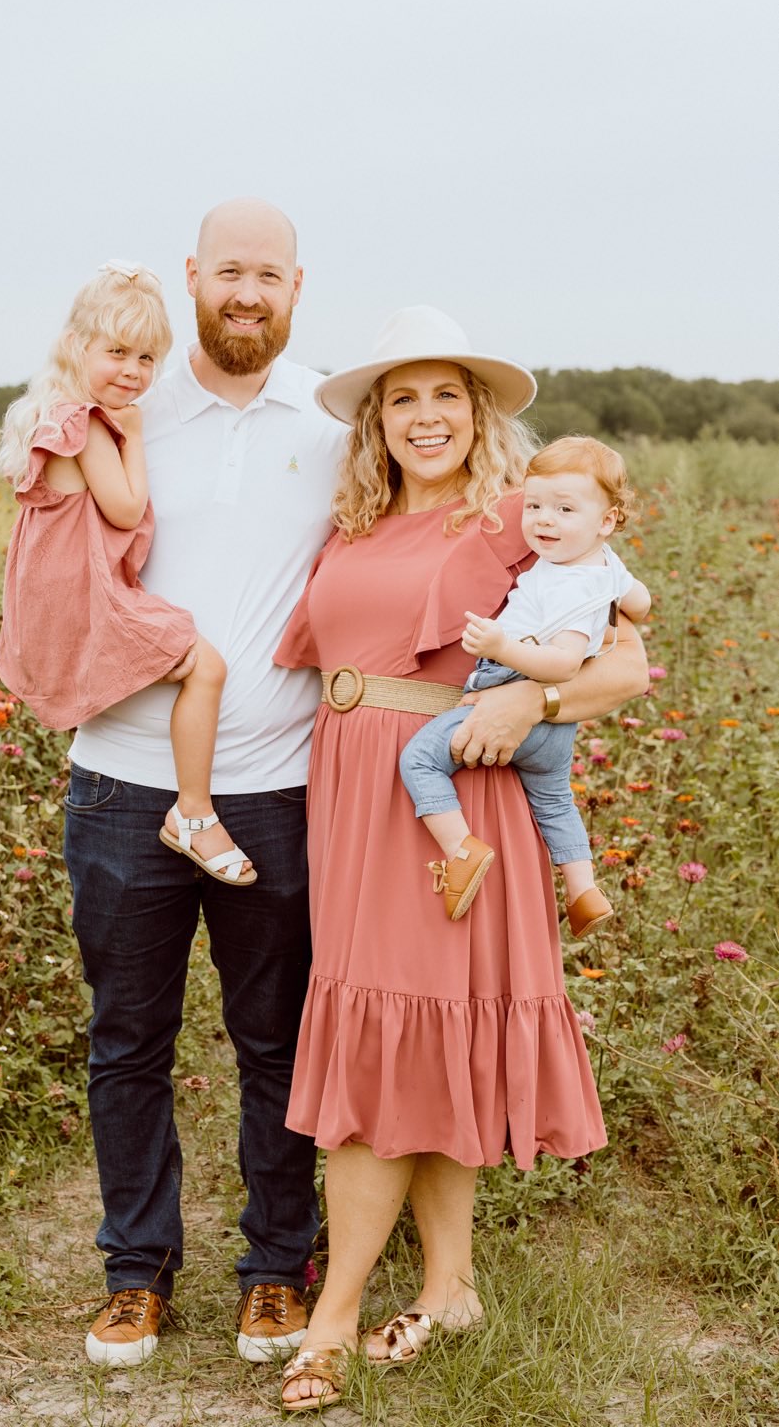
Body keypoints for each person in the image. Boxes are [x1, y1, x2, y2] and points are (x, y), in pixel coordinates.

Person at [272, 306, 649, 1411]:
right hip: (353, 792)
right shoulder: (353, 525)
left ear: (476, 413)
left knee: (396, 1035)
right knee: (407, 1031)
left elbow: (627, 659)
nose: (425, 416)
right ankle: (451, 1285)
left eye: (446, 395)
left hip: (455, 798)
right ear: (375, 422)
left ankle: (333, 1315)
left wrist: (533, 691)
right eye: (403, 398)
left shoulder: (509, 523)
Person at [60, 201, 348, 1367]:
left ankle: (279, 1266)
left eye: (267, 275)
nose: (246, 291)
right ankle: (137, 1270)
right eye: (228, 269)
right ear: (191, 276)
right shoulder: (123, 404)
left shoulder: (333, 420)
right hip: (122, 781)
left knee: (275, 1037)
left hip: (277, 785)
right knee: (128, 1036)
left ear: (294, 287)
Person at [0, 260, 255, 885]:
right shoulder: (82, 427)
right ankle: (192, 813)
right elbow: (125, 507)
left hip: (60, 596)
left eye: (146, 360)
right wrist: (133, 435)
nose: (133, 373)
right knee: (208, 669)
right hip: (87, 597)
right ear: (78, 345)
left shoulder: (50, 413)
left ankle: (185, 808)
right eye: (117, 353)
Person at [399, 434, 651, 937]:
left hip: (518, 688)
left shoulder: (566, 583)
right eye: (533, 505)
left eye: (563, 509)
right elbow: (639, 603)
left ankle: (460, 851)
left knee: (420, 760)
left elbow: (559, 665)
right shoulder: (604, 566)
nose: (543, 520)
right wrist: (620, 601)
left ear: (606, 521)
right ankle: (583, 890)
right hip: (559, 729)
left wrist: (499, 646)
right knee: (555, 800)